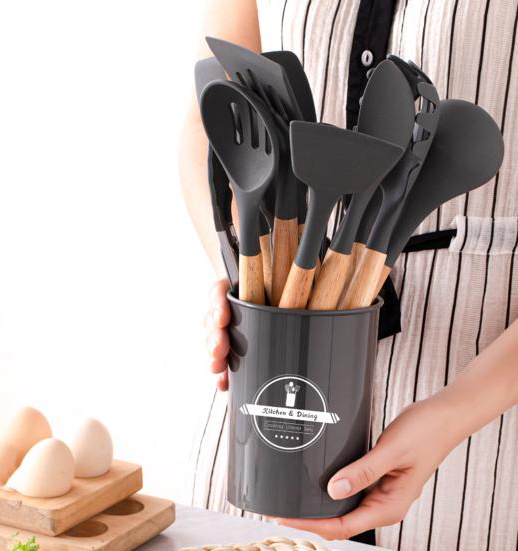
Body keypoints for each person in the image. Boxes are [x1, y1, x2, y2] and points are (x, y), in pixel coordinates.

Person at [179, 1, 518, 549]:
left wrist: (455, 415)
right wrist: (242, 274)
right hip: (258, 407)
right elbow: (211, 117)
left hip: (470, 427)